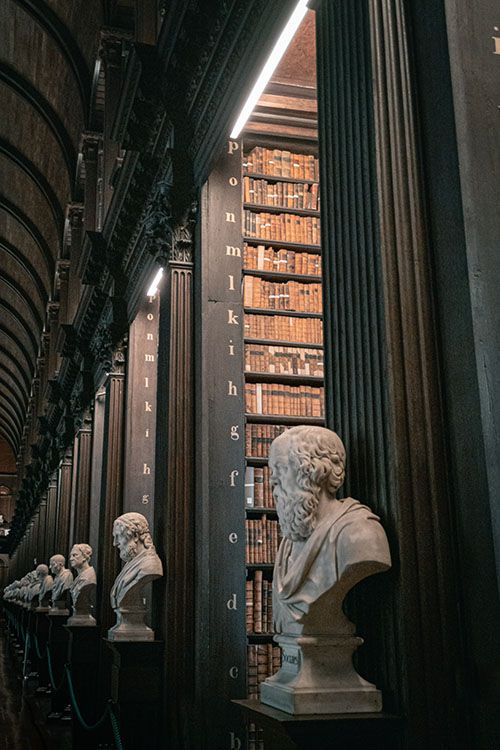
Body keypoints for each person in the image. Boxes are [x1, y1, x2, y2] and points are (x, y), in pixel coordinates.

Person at [269, 425, 391, 635]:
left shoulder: (360, 535)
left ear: (314, 471)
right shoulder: (290, 542)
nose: (272, 480)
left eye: (280, 468)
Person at [110, 512, 163, 609]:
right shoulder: (131, 563)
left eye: (119, 536)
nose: (115, 543)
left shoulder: (149, 565)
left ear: (135, 536)